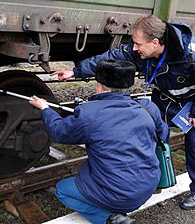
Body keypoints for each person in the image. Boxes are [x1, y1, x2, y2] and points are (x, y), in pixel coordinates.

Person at [51, 15, 195, 210]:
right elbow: (111, 58)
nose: (134, 48)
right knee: (154, 137)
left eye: (138, 44)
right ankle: (157, 178)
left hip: (193, 104)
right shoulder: (142, 51)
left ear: (155, 43)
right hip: (164, 100)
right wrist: (75, 71)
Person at [29, 59, 169, 224]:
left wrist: (45, 109)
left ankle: (112, 218)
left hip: (120, 195)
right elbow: (163, 135)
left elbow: (59, 132)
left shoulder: (89, 113)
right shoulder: (148, 108)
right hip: (149, 184)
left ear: (99, 85)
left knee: (62, 190)